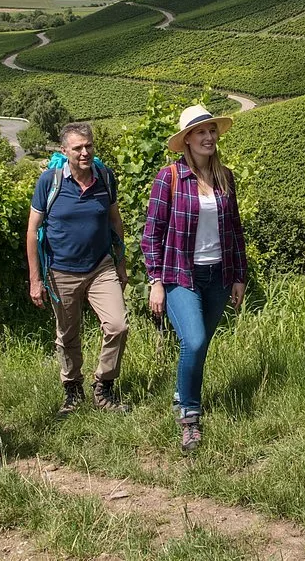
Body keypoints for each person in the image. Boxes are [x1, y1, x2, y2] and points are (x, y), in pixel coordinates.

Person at [142, 105, 248, 454]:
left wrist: (239, 277)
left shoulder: (225, 177)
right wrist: (155, 280)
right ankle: (189, 416)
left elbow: (234, 230)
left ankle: (180, 393)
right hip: (179, 274)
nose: (209, 137)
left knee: (196, 345)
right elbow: (152, 233)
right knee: (196, 340)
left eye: (212, 131)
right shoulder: (169, 177)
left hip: (218, 273)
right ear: (186, 139)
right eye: (201, 132)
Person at [26, 121, 131, 415]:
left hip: (101, 266)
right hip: (61, 271)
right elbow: (33, 230)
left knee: (118, 325)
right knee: (68, 335)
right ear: (64, 151)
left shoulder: (105, 177)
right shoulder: (50, 181)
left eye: (89, 146)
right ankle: (72, 391)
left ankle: (103, 386)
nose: (85, 153)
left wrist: (121, 264)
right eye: (78, 148)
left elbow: (115, 221)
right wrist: (35, 280)